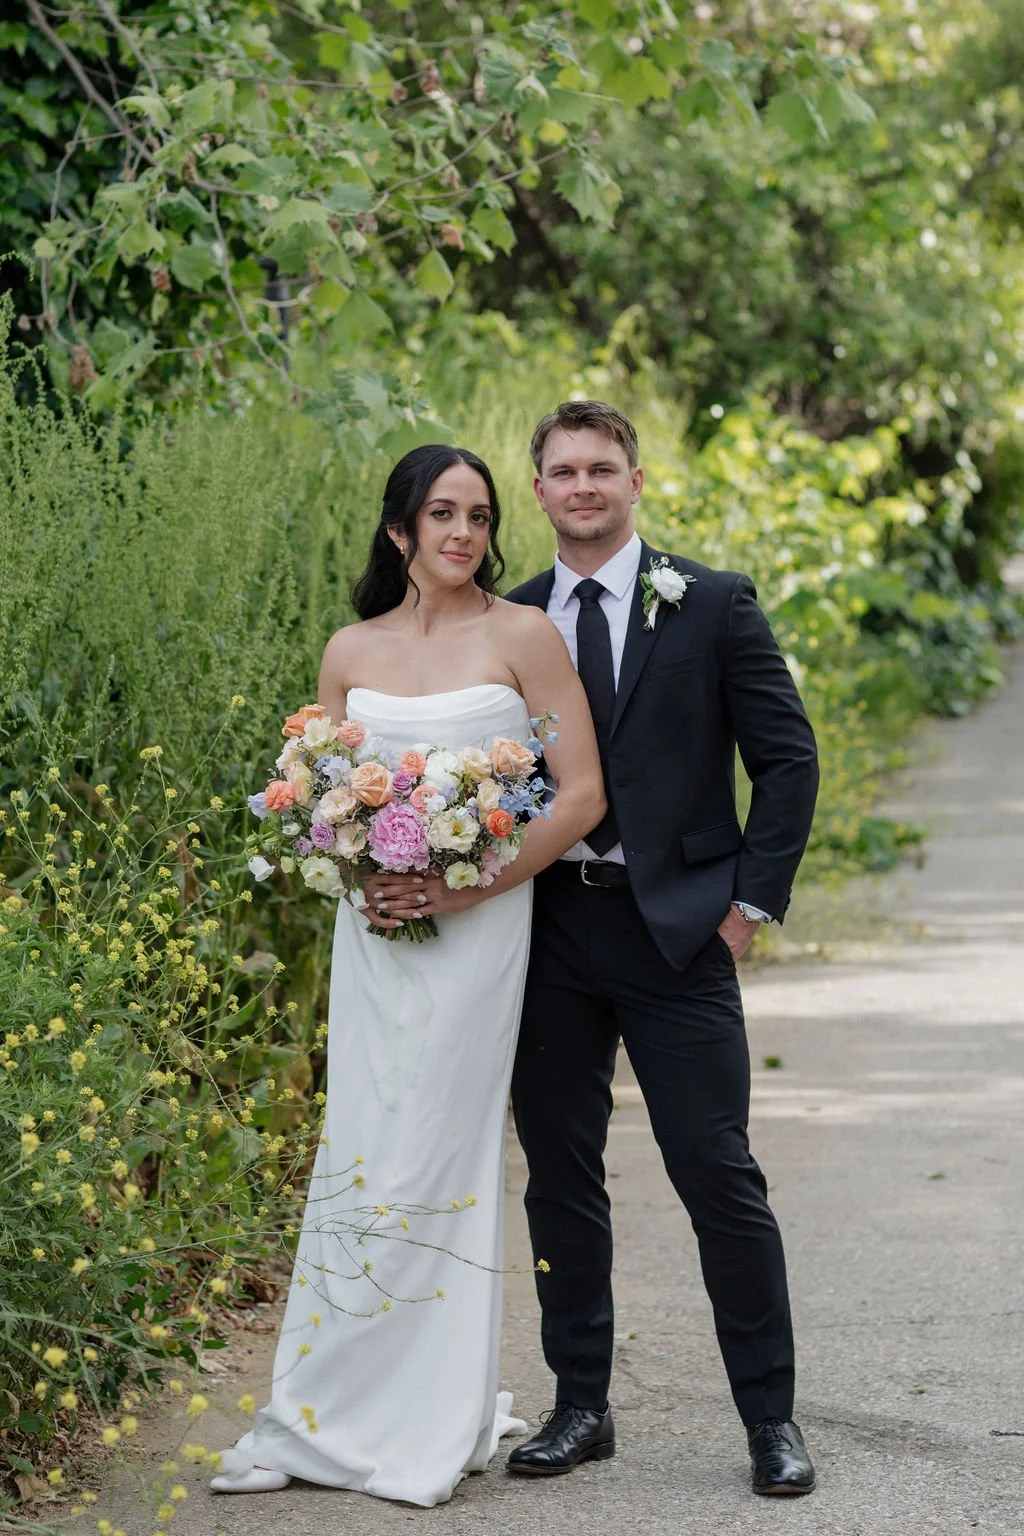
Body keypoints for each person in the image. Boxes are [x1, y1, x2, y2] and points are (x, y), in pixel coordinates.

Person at [211, 445, 605, 1504]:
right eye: (440, 513)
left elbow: (574, 795)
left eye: (477, 515)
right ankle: (319, 1412)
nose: (462, 534)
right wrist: (365, 884)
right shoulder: (349, 650)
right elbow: (323, 798)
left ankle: (424, 1415)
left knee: (437, 1152)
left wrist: (468, 888)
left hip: (481, 930)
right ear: (399, 531)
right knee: (364, 1147)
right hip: (375, 933)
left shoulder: (523, 637)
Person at [503, 401, 820, 1497]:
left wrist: (747, 907)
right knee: (559, 1176)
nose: (582, 485)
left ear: (636, 481)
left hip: (679, 932)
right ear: (537, 490)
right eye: (562, 470)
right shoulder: (511, 619)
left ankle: (770, 1422)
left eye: (601, 467)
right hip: (546, 933)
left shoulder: (713, 603)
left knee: (717, 1175)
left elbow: (787, 761)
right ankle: (579, 1405)